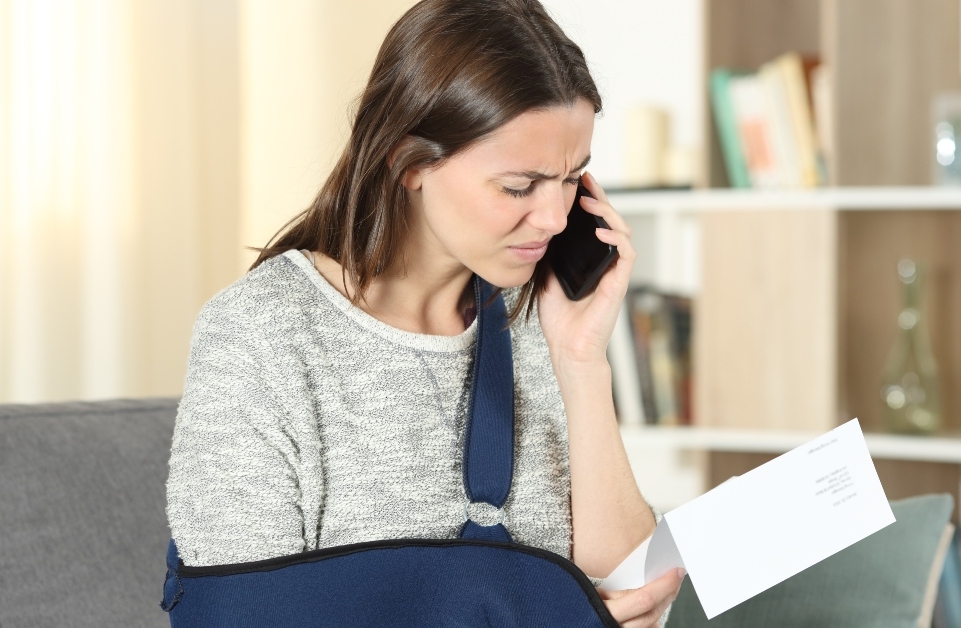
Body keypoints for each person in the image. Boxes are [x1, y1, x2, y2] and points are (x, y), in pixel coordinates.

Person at [164, 0, 684, 625]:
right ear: (411, 164)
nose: (553, 218)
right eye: (519, 186)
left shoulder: (538, 322)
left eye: (573, 179)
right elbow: (241, 615)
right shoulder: (261, 336)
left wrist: (581, 364)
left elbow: (638, 597)